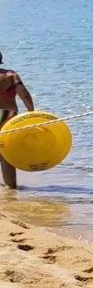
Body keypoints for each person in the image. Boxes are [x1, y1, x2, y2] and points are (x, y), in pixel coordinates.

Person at [0, 51, 34, 190]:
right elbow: (24, 94)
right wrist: (32, 112)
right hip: (7, 115)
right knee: (5, 151)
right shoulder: (11, 75)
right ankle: (11, 187)